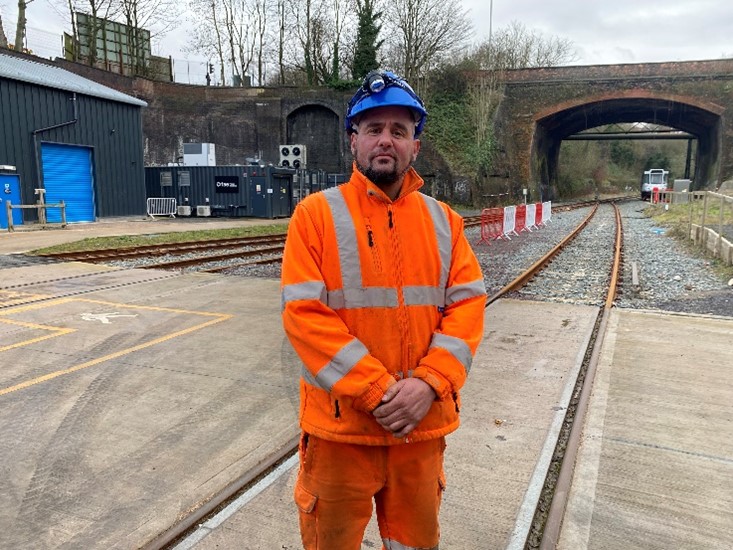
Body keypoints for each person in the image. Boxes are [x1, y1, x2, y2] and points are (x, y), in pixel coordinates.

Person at [280, 70, 487, 550]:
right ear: (353, 140)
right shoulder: (315, 216)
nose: (385, 140)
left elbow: (468, 307)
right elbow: (304, 314)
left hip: (420, 430)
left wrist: (429, 383)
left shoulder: (444, 223)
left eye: (399, 130)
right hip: (340, 432)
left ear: (417, 144)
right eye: (373, 129)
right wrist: (377, 390)